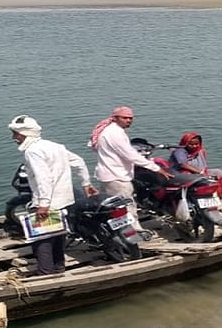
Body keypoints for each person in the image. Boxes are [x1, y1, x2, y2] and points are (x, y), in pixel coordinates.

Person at [9, 115, 97, 275]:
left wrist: (43, 204)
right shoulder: (55, 146)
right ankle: (58, 267)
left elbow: (43, 179)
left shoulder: (32, 151)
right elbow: (79, 162)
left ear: (24, 134)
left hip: (48, 202)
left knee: (42, 239)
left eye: (15, 133)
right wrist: (86, 183)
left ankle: (45, 272)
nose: (14, 137)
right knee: (58, 234)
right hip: (64, 200)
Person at [88, 106, 172, 231]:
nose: (128, 120)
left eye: (130, 118)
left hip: (106, 174)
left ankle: (112, 231)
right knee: (127, 206)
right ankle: (135, 232)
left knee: (110, 207)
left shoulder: (107, 130)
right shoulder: (115, 133)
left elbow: (93, 146)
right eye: (125, 118)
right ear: (115, 118)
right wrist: (156, 168)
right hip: (117, 176)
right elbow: (130, 155)